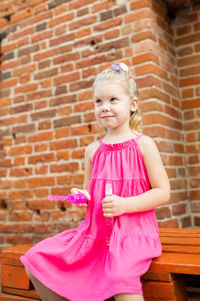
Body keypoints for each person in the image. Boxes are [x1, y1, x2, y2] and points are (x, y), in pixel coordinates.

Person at [20, 62, 170, 301]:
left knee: (120, 278)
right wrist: (82, 195)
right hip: (95, 233)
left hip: (132, 235)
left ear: (132, 105)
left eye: (113, 100)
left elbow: (163, 192)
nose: (105, 107)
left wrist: (125, 205)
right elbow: (90, 191)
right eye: (98, 102)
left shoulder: (144, 145)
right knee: (35, 259)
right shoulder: (93, 151)